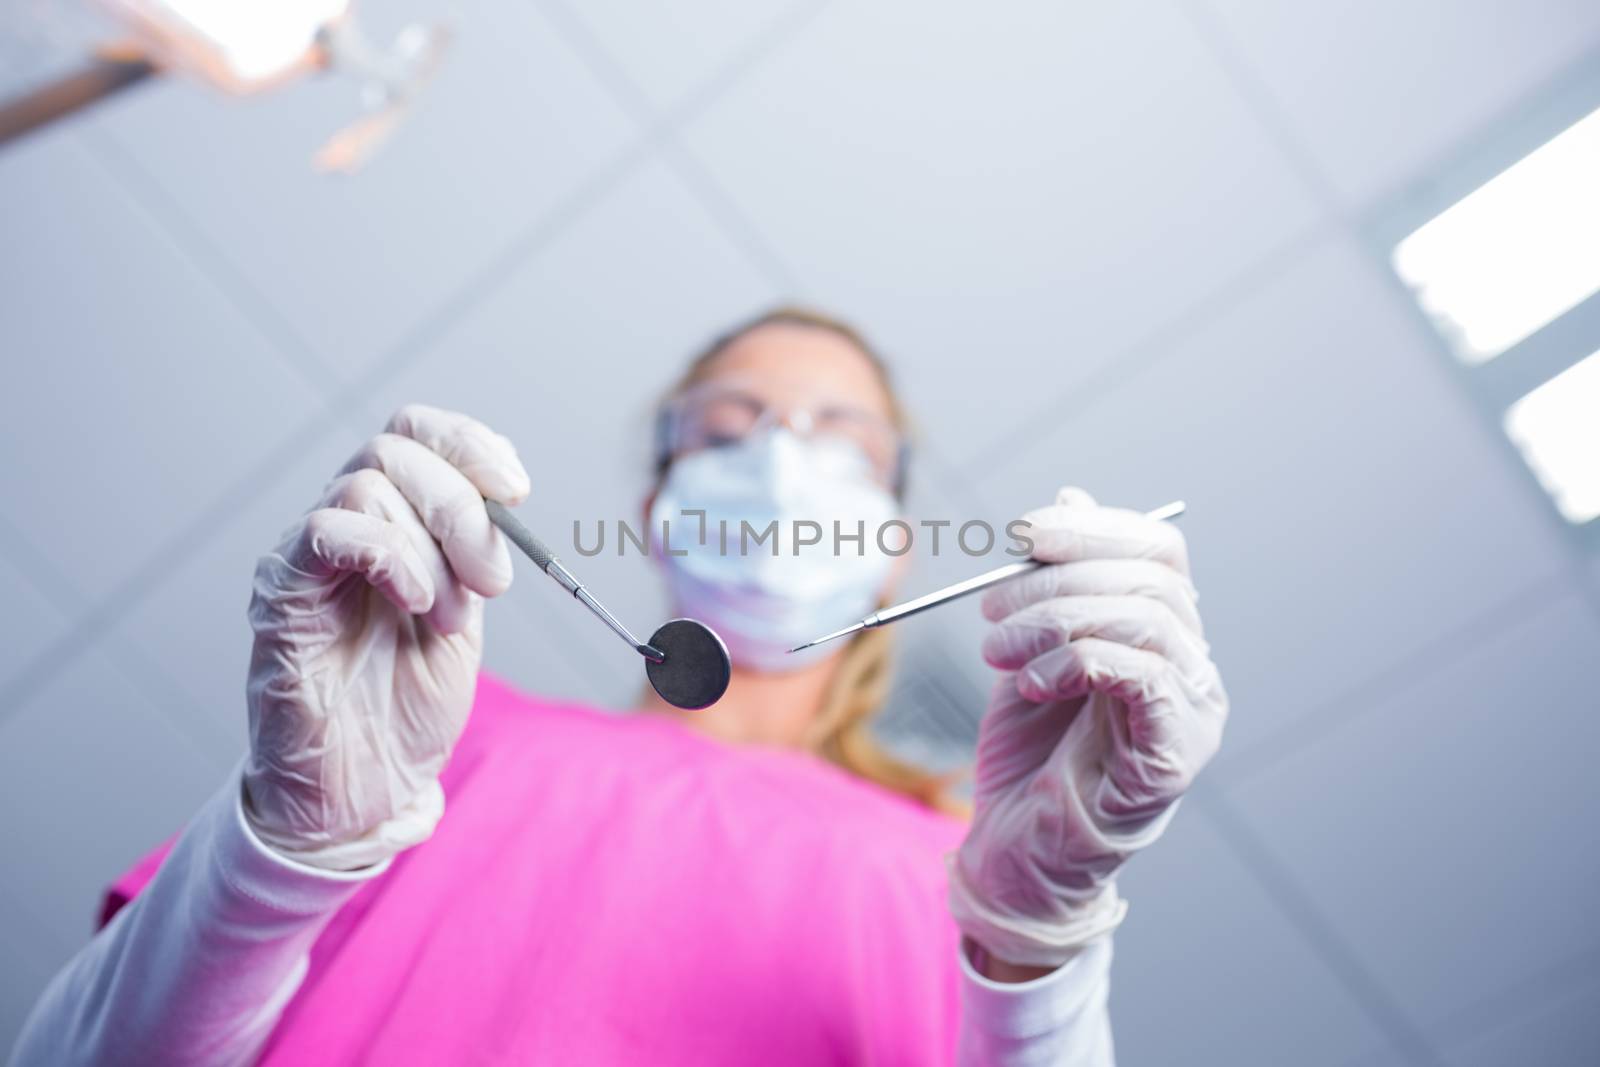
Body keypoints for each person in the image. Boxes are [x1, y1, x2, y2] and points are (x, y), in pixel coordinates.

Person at [11, 307, 1227, 1066]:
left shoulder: (978, 871)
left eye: (840, 438)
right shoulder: (417, 746)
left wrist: (1033, 949)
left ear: (894, 539)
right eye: (730, 423)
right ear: (656, 510)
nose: (782, 460)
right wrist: (284, 841)